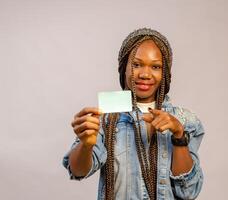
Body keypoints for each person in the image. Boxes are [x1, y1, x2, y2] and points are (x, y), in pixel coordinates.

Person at [63, 28, 205, 200]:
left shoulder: (185, 121)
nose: (145, 74)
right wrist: (86, 144)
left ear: (164, 73)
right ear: (124, 67)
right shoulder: (105, 119)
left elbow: (188, 192)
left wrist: (178, 136)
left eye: (155, 66)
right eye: (136, 64)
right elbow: (78, 171)